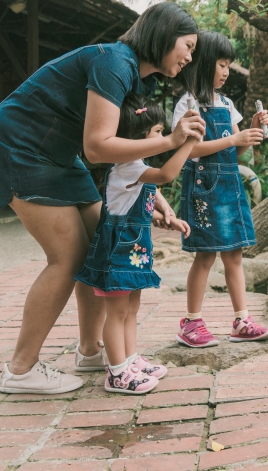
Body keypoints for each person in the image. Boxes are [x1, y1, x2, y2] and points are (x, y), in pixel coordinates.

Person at [0, 2, 206, 394]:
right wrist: (171, 140)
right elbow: (98, 147)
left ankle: (92, 349)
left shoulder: (138, 78)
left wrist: (155, 197)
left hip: (59, 153)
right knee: (69, 256)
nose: (189, 56)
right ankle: (20, 370)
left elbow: (126, 154)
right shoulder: (114, 62)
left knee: (103, 238)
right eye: (188, 45)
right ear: (164, 35)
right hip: (20, 146)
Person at [74, 95, 195, 394]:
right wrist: (188, 143)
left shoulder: (135, 165)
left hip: (135, 251)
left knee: (131, 308)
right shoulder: (126, 166)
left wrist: (166, 213)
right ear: (139, 136)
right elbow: (165, 175)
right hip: (119, 253)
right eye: (157, 132)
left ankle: (128, 360)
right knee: (116, 312)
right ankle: (116, 373)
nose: (161, 137)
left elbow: (145, 194)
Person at [171, 31, 268, 347]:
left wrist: (254, 129)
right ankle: (191, 321)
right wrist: (234, 138)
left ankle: (242, 320)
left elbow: (236, 152)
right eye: (222, 64)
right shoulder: (189, 103)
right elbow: (189, 150)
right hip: (204, 187)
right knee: (204, 256)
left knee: (234, 255)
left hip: (229, 185)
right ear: (203, 64)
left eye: (229, 65)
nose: (227, 71)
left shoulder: (227, 104)